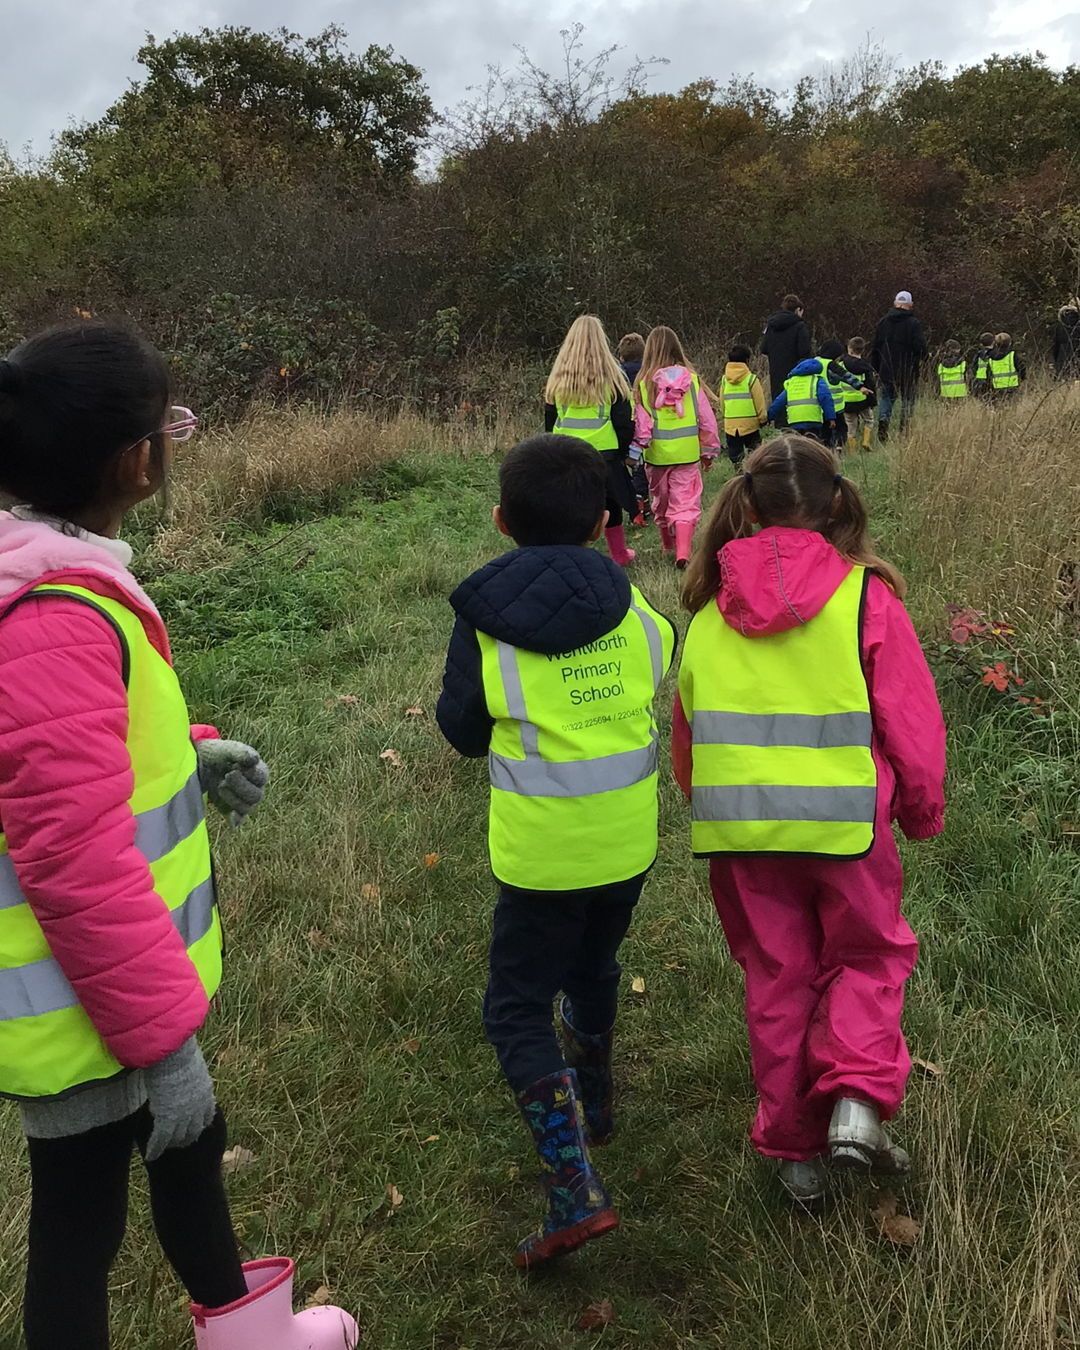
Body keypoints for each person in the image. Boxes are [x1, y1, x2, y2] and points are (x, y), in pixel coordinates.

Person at [0, 323, 359, 1350]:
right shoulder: (50, 614)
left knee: (189, 1155)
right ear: (135, 461)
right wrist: (161, 1046)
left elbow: (64, 753)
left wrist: (189, 746)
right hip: (80, 1012)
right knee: (80, 1223)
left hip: (104, 989)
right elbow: (70, 855)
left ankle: (255, 1334)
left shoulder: (45, 575)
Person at [674, 435, 945, 1205]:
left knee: (777, 978)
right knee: (868, 957)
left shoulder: (706, 616)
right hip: (849, 829)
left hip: (743, 837)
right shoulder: (867, 598)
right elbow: (913, 722)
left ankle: (796, 1157)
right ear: (835, 504)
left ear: (747, 506)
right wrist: (921, 809)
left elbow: (689, 736)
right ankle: (856, 1104)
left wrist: (712, 804)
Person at [436, 434, 675, 1269]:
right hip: (626, 843)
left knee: (513, 1008)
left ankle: (572, 1182)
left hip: (540, 856)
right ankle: (598, 1100)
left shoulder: (485, 628)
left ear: (501, 521)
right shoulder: (645, 616)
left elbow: (462, 732)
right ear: (605, 519)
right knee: (595, 964)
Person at [544, 315, 637, 567]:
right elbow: (623, 421)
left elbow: (549, 421)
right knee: (611, 503)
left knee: (570, 503)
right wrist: (624, 450)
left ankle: (569, 552)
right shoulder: (614, 378)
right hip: (604, 453)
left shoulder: (557, 379)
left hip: (565, 451)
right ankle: (619, 554)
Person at [632, 325, 720, 569]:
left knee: (660, 501)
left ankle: (667, 545)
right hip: (687, 454)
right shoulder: (691, 380)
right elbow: (706, 420)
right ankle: (683, 552)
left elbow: (641, 425)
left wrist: (637, 450)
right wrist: (709, 450)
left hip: (656, 457)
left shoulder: (643, 384)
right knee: (685, 502)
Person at [870, 291, 928, 440]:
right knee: (907, 401)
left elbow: (875, 347)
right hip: (907, 371)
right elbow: (920, 347)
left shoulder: (883, 322)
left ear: (895, 303)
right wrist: (923, 358)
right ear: (910, 305)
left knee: (886, 399)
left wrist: (876, 368)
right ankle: (905, 431)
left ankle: (883, 427)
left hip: (886, 370)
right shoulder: (913, 323)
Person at [760, 294, 812, 421]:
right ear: (798, 310)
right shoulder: (800, 326)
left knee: (779, 400)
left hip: (776, 370)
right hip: (796, 371)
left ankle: (780, 429)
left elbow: (764, 348)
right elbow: (804, 351)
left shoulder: (771, 325)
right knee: (795, 400)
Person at [618, 332, 650, 524]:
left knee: (627, 465)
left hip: (624, 426)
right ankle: (640, 501)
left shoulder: (617, 374)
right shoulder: (648, 372)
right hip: (643, 427)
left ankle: (633, 502)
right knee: (641, 467)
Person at [765, 357, 836, 444]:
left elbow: (779, 401)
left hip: (795, 421)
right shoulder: (817, 380)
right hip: (813, 420)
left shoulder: (791, 382)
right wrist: (831, 418)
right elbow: (826, 398)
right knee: (812, 446)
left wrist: (769, 416)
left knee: (798, 448)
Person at [719, 344, 768, 466]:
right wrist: (762, 419)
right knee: (756, 455)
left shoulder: (725, 380)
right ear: (747, 360)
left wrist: (725, 417)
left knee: (736, 456)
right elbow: (759, 402)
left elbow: (722, 402)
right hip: (750, 425)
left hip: (731, 426)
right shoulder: (751, 379)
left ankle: (739, 475)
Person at [840, 337, 877, 451]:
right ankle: (865, 441)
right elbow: (870, 384)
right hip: (862, 400)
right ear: (862, 350)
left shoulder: (840, 365)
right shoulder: (865, 366)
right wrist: (873, 400)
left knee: (850, 426)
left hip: (846, 401)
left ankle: (852, 451)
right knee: (869, 420)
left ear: (849, 349)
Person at [988, 332, 1026, 398]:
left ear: (996, 344)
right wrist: (1022, 378)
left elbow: (988, 373)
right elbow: (1021, 368)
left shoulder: (990, 356)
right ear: (1010, 343)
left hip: (996, 387)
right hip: (1012, 387)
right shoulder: (1013, 355)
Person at [1052, 303, 1080, 380]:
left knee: (1064, 383)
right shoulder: (1078, 324)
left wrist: (1056, 362)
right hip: (1077, 358)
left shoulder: (1059, 326)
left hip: (1062, 358)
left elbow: (1055, 347)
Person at [972, 331, 996, 400]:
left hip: (979, 381)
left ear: (981, 344)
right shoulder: (994, 354)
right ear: (993, 342)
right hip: (991, 381)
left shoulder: (978, 354)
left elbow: (974, 367)